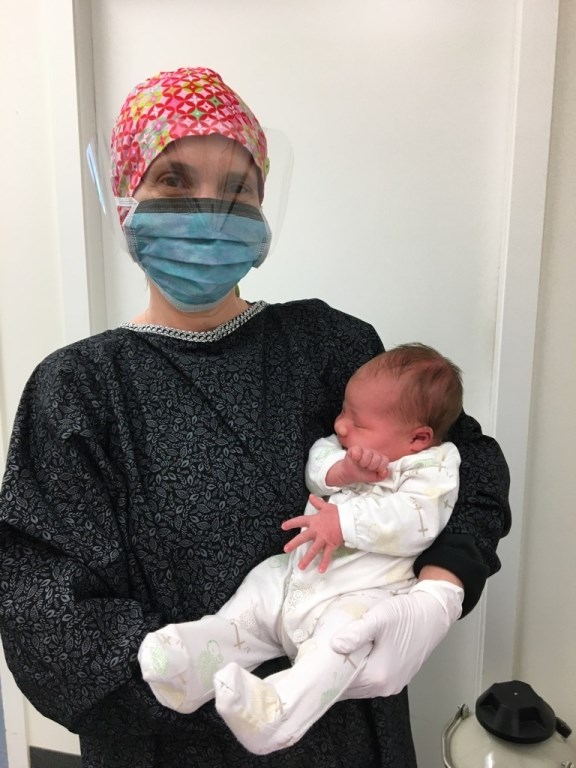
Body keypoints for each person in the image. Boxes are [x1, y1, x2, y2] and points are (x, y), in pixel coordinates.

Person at [0, 67, 511, 767]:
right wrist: (221, 676)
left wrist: (444, 588)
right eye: (174, 182)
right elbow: (47, 624)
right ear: (125, 199)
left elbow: (465, 461)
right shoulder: (79, 390)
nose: (210, 211)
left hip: (351, 742)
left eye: (237, 188)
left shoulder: (333, 346)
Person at [138, 343, 463, 755]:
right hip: (299, 573)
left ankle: (278, 713)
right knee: (256, 596)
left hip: (357, 596)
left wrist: (344, 523)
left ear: (418, 438)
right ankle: (196, 664)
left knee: (339, 646)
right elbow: (318, 460)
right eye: (343, 410)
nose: (341, 425)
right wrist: (341, 470)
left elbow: (418, 519)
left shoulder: (430, 468)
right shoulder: (344, 448)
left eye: (357, 422)